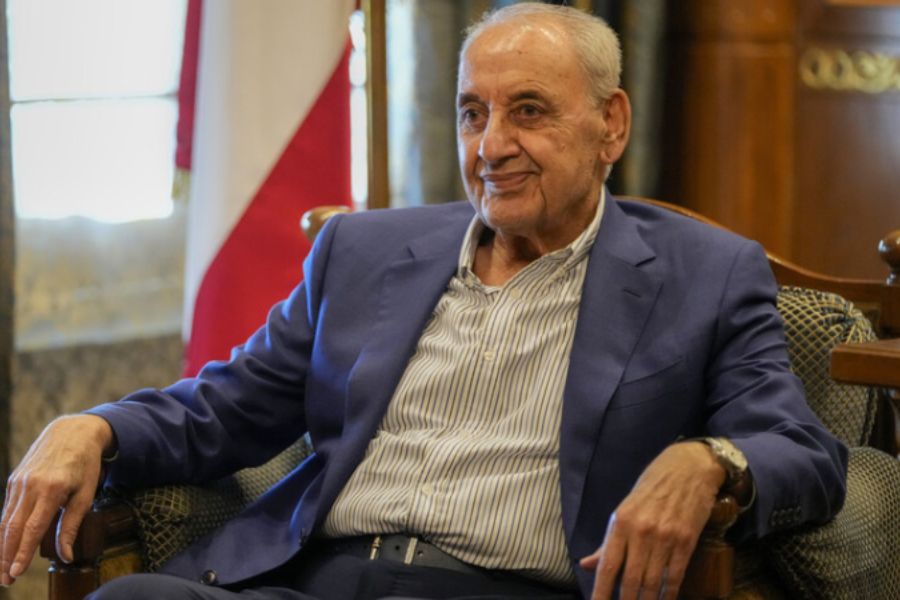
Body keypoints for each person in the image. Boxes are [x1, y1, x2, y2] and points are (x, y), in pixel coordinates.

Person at [1, 4, 846, 600]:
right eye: (473, 114)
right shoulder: (361, 252)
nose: (492, 146)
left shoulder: (705, 274)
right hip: (314, 581)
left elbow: (804, 450)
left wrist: (710, 461)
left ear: (611, 125)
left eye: (528, 112)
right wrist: (96, 428)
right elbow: (225, 408)